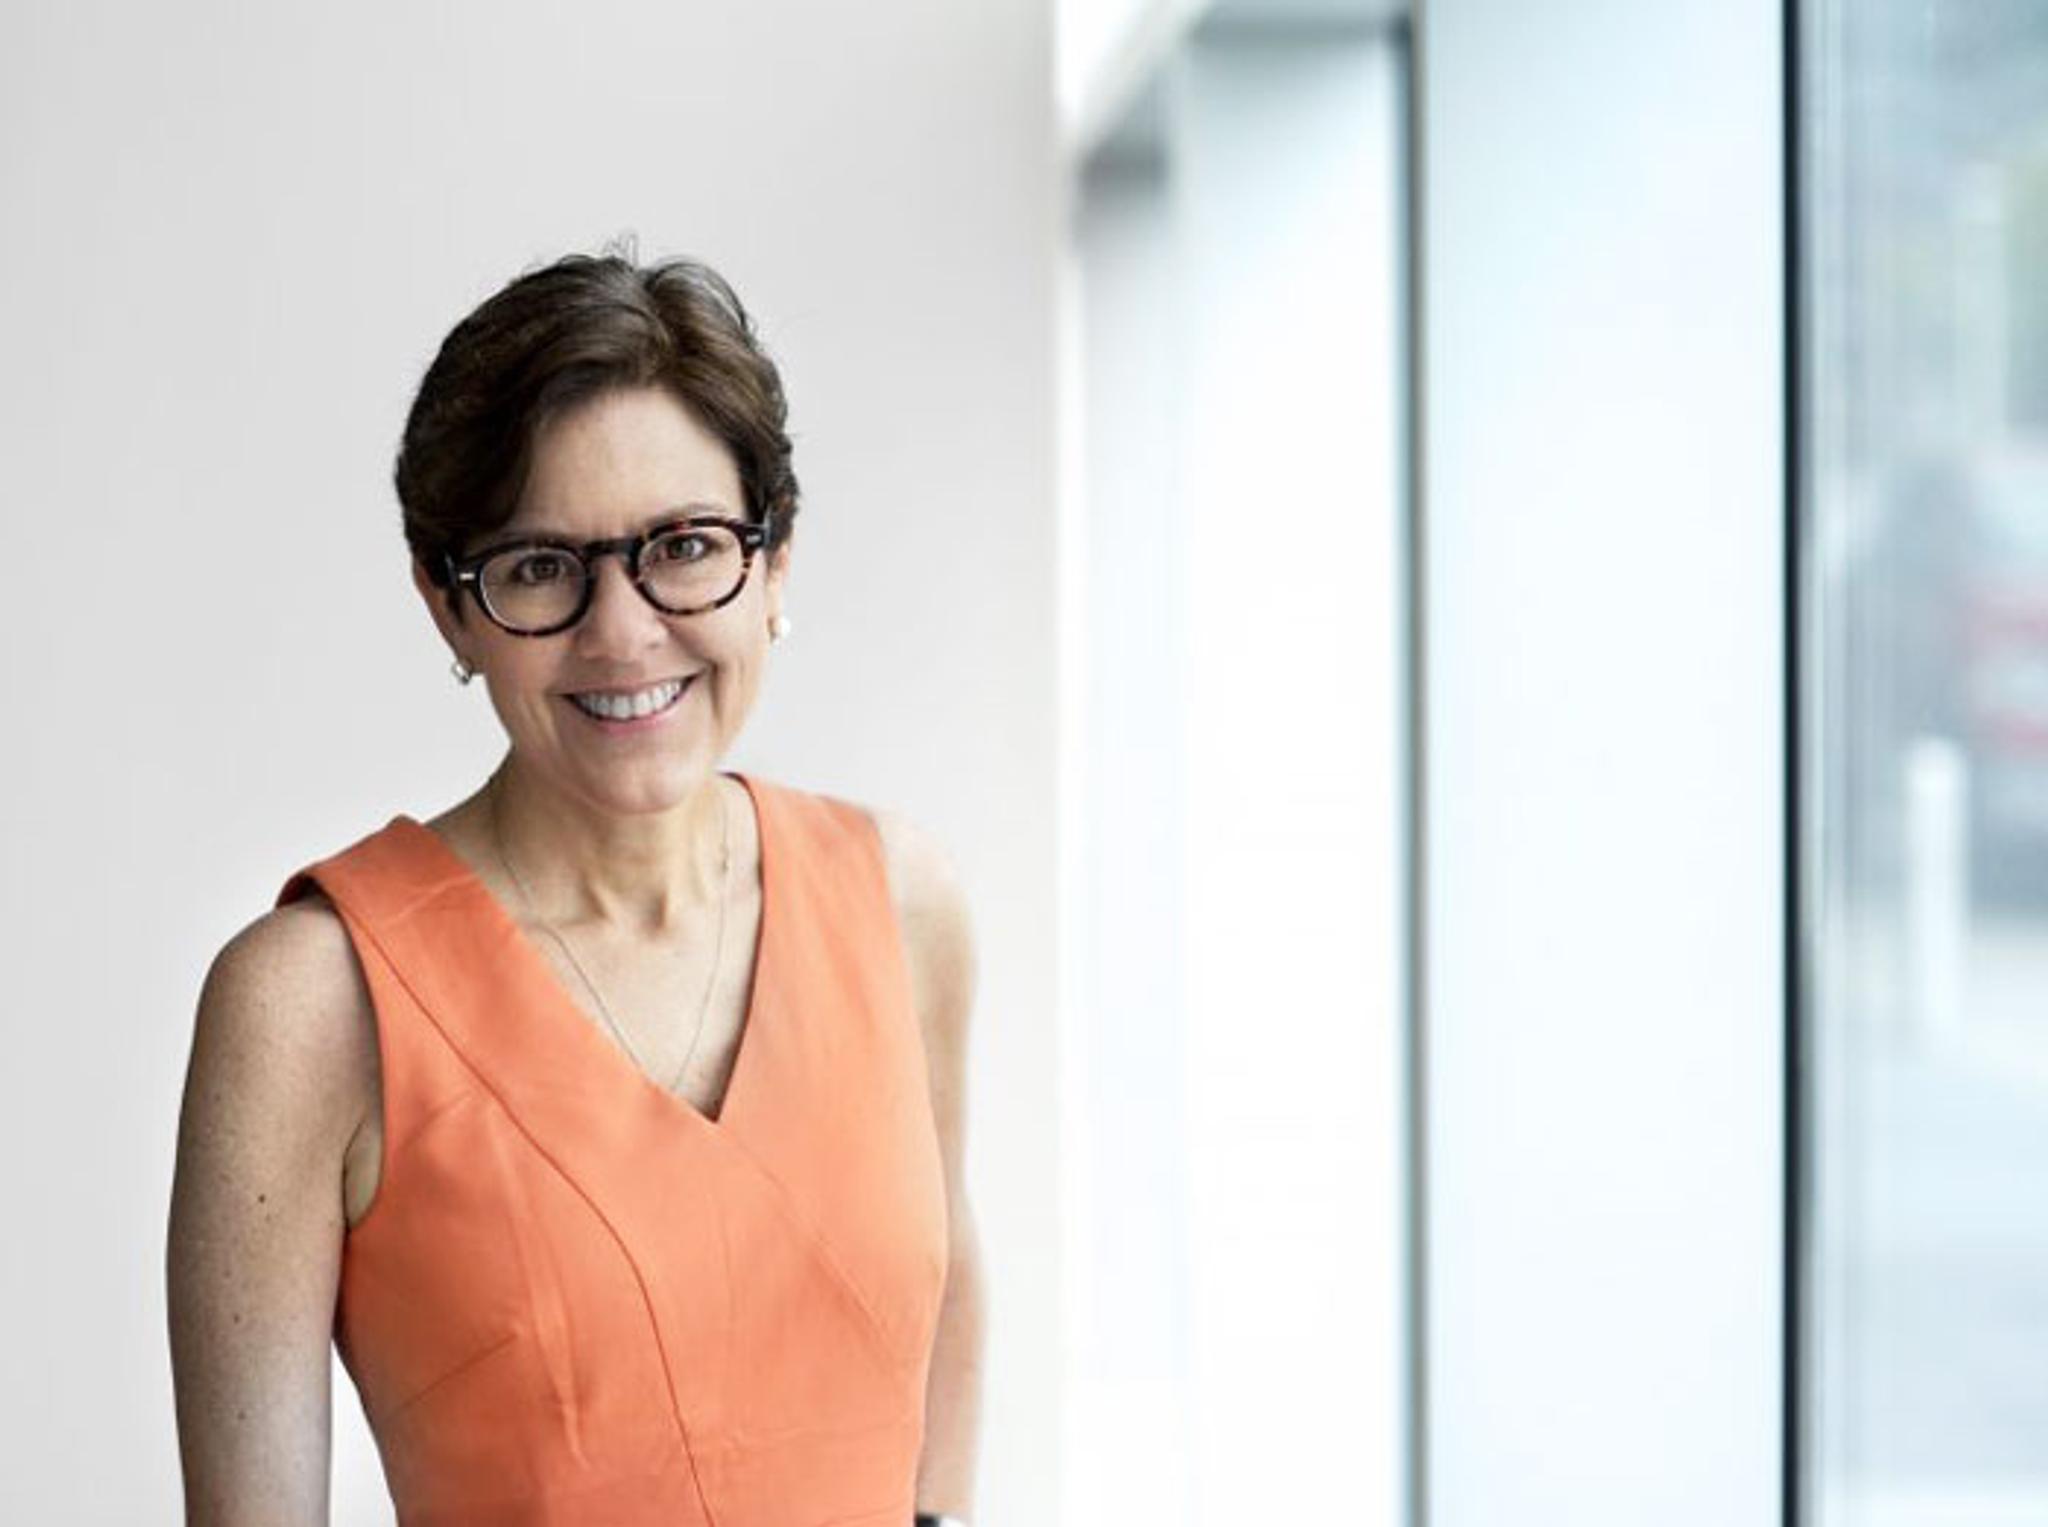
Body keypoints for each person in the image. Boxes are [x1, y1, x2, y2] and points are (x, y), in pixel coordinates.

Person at [165, 251, 985, 1525]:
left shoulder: (897, 903)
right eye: (542, 565)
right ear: (449, 606)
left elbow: (936, 1368)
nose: (622, 633)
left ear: (774, 562)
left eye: (685, 546)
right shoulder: (308, 1005)